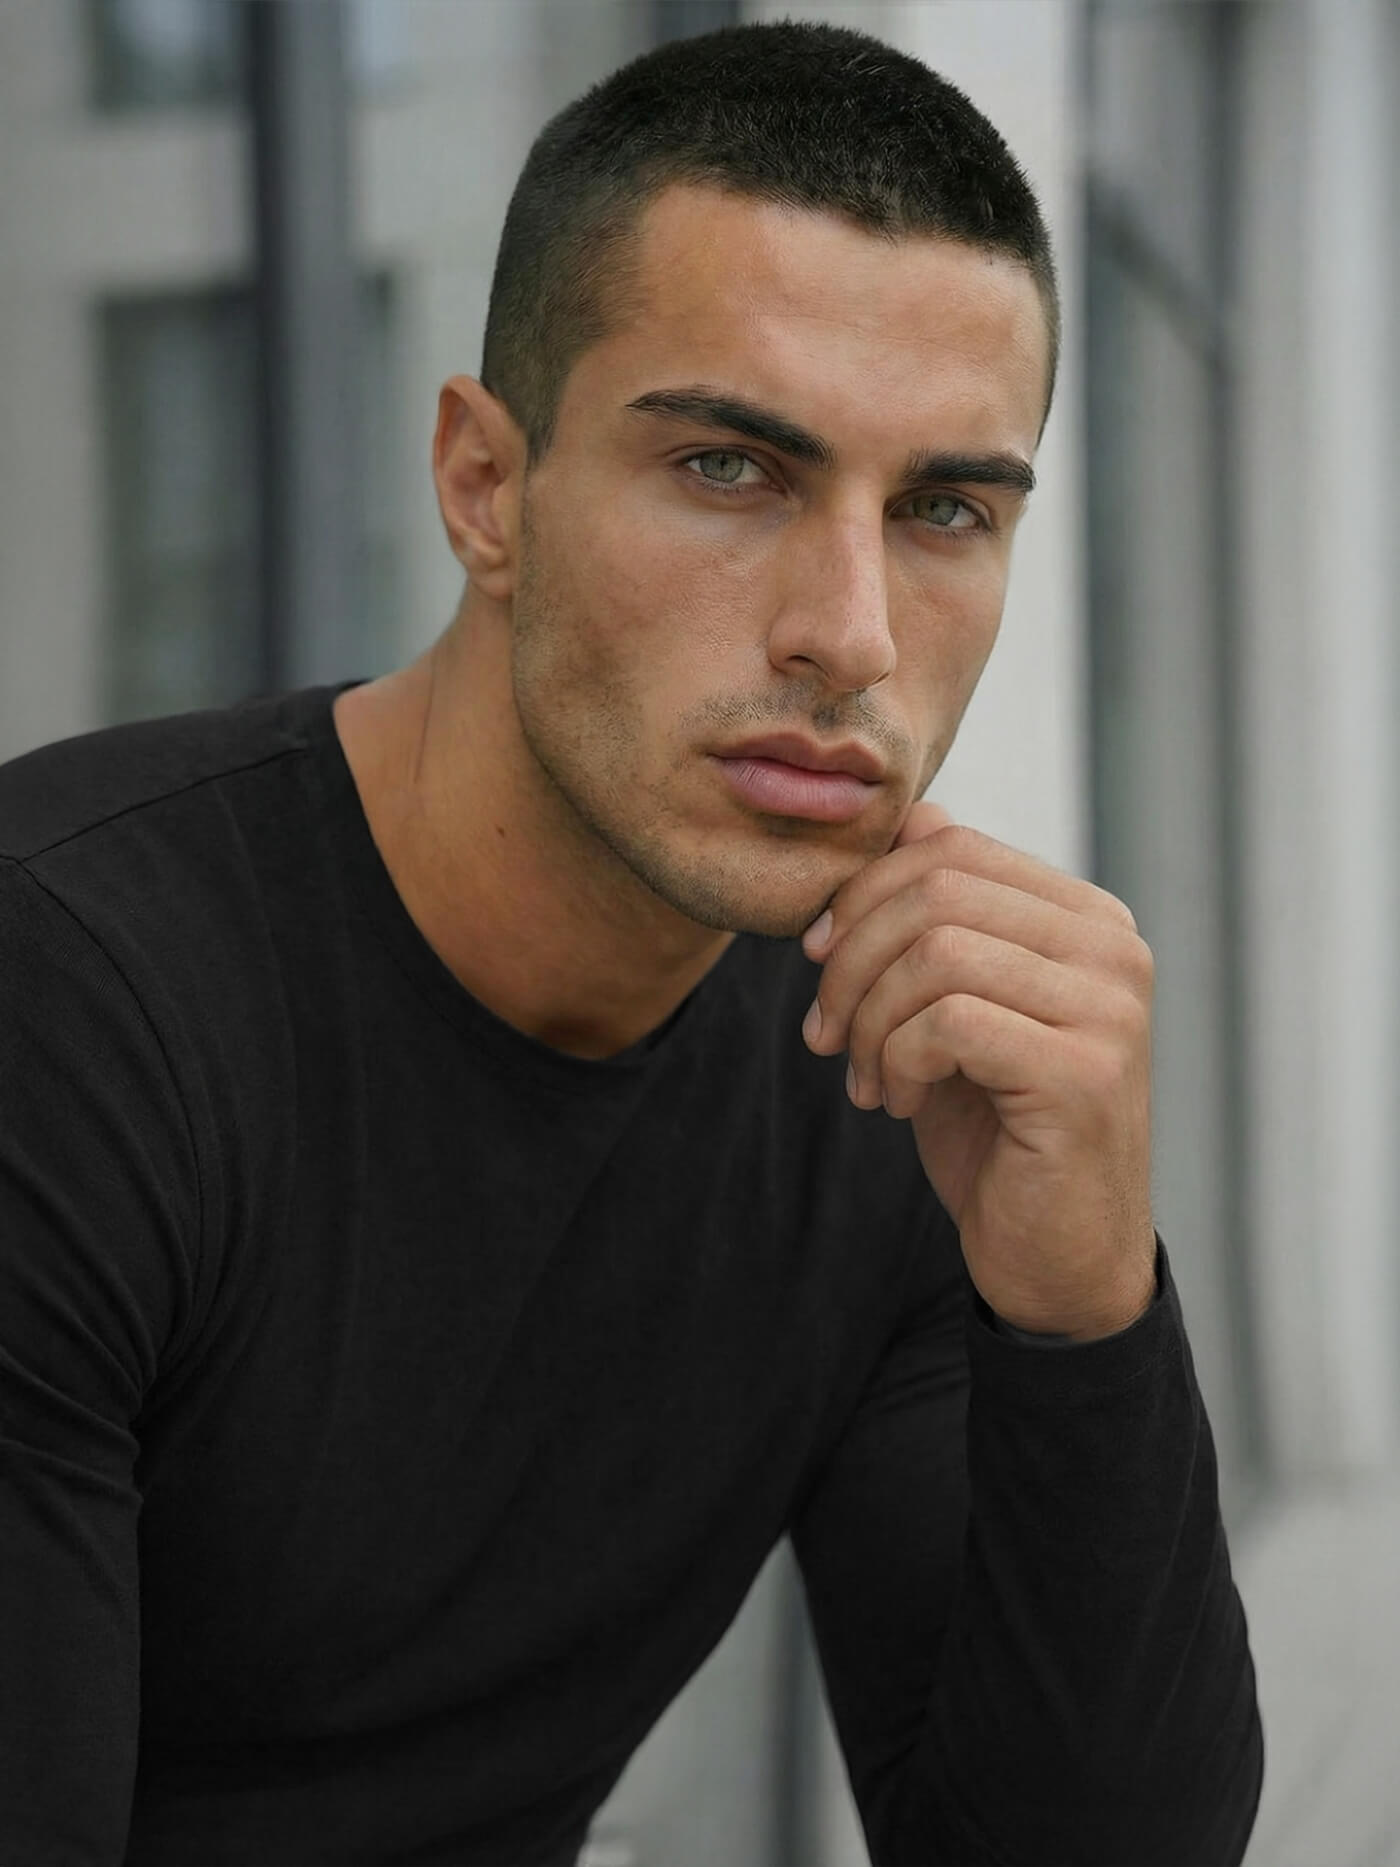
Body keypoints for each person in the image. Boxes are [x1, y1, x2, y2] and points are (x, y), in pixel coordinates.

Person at [0, 20, 1261, 1867]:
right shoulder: (67, 997)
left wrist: (1083, 1312)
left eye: (943, 510)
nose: (850, 633)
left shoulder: (892, 1061)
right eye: (732, 469)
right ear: (484, 488)